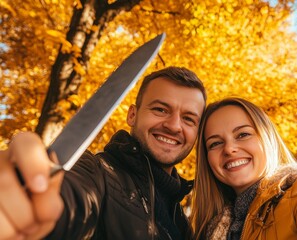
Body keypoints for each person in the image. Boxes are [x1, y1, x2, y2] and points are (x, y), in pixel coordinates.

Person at [0, 66, 207, 240]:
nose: (173, 126)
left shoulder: (182, 220)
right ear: (132, 115)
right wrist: (33, 203)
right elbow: (70, 199)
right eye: (160, 110)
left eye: (189, 119)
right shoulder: (97, 172)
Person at [190, 97, 297, 240]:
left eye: (243, 134)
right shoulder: (211, 229)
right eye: (216, 143)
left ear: (267, 138)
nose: (229, 149)